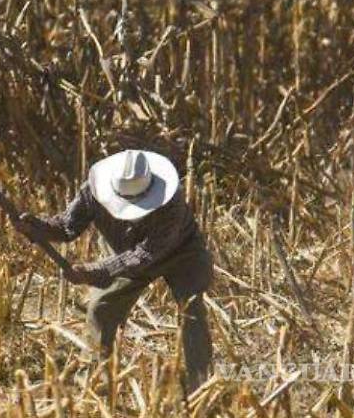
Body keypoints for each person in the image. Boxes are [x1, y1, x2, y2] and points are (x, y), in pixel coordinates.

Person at [13, 149, 213, 390]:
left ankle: (200, 384)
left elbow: (145, 254)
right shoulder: (92, 192)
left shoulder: (172, 202)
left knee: (192, 311)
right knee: (101, 308)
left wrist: (95, 272)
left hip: (182, 253)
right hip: (125, 253)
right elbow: (67, 226)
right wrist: (38, 228)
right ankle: (98, 380)